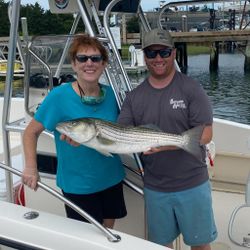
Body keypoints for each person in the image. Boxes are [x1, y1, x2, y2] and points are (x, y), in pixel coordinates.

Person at [117, 28, 217, 249]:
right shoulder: (134, 97)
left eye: (164, 52)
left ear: (173, 53)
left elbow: (206, 133)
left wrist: (166, 145)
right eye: (151, 54)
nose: (158, 59)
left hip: (192, 183)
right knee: (160, 246)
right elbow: (121, 131)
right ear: (145, 57)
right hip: (156, 187)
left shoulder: (191, 88)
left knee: (200, 244)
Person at [22, 33, 127, 228]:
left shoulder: (112, 95)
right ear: (74, 63)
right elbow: (30, 132)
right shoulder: (59, 96)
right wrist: (30, 167)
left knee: (108, 230)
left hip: (111, 177)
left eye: (96, 58)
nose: (89, 63)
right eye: (82, 58)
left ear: (103, 64)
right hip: (78, 184)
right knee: (87, 238)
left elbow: (122, 131)